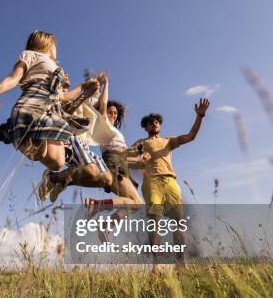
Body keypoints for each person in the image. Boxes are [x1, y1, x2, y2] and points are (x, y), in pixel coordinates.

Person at [0, 30, 100, 172]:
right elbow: (14, 78)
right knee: (44, 153)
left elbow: (62, 97)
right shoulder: (30, 54)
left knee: (58, 163)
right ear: (47, 44)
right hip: (34, 101)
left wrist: (84, 88)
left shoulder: (57, 68)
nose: (57, 49)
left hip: (53, 110)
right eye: (55, 46)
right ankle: (27, 142)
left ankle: (33, 146)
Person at [135, 98, 210, 269]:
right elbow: (130, 157)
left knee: (178, 222)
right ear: (145, 127)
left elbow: (190, 136)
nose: (154, 124)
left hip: (170, 182)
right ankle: (156, 265)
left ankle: (181, 263)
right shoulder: (141, 143)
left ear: (159, 126)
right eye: (150, 123)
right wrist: (140, 158)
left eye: (156, 122)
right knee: (155, 221)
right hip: (152, 182)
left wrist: (200, 117)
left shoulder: (169, 141)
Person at [83, 73, 147, 218]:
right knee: (137, 203)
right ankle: (96, 206)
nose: (113, 115)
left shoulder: (116, 132)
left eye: (115, 114)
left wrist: (138, 160)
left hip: (120, 162)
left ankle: (108, 224)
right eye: (111, 112)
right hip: (113, 162)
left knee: (134, 203)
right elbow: (103, 104)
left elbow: (122, 155)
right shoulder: (103, 122)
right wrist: (106, 84)